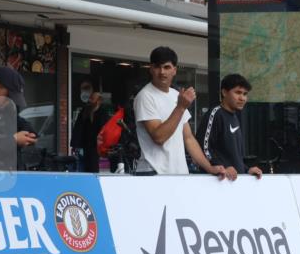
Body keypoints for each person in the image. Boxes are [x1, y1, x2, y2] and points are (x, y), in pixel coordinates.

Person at [133, 46, 226, 178]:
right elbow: (159, 137)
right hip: (153, 173)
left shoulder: (176, 95)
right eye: (157, 67)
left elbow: (188, 139)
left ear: (174, 70)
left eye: (166, 67)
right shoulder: (145, 96)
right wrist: (180, 107)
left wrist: (209, 167)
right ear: (151, 69)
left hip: (178, 173)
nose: (162, 72)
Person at [197, 73, 263, 179]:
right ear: (224, 92)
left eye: (245, 94)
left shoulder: (234, 116)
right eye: (238, 92)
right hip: (217, 183)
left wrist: (246, 170)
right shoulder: (215, 114)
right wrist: (223, 167)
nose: (242, 98)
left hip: (233, 183)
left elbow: (233, 157)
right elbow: (202, 147)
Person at [71, 81, 111, 173]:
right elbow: (78, 128)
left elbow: (105, 129)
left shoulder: (102, 112)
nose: (90, 100)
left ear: (98, 101)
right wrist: (75, 144)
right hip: (86, 145)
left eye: (92, 99)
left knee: (94, 166)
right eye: (90, 98)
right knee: (85, 165)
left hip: (97, 145)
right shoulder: (85, 111)